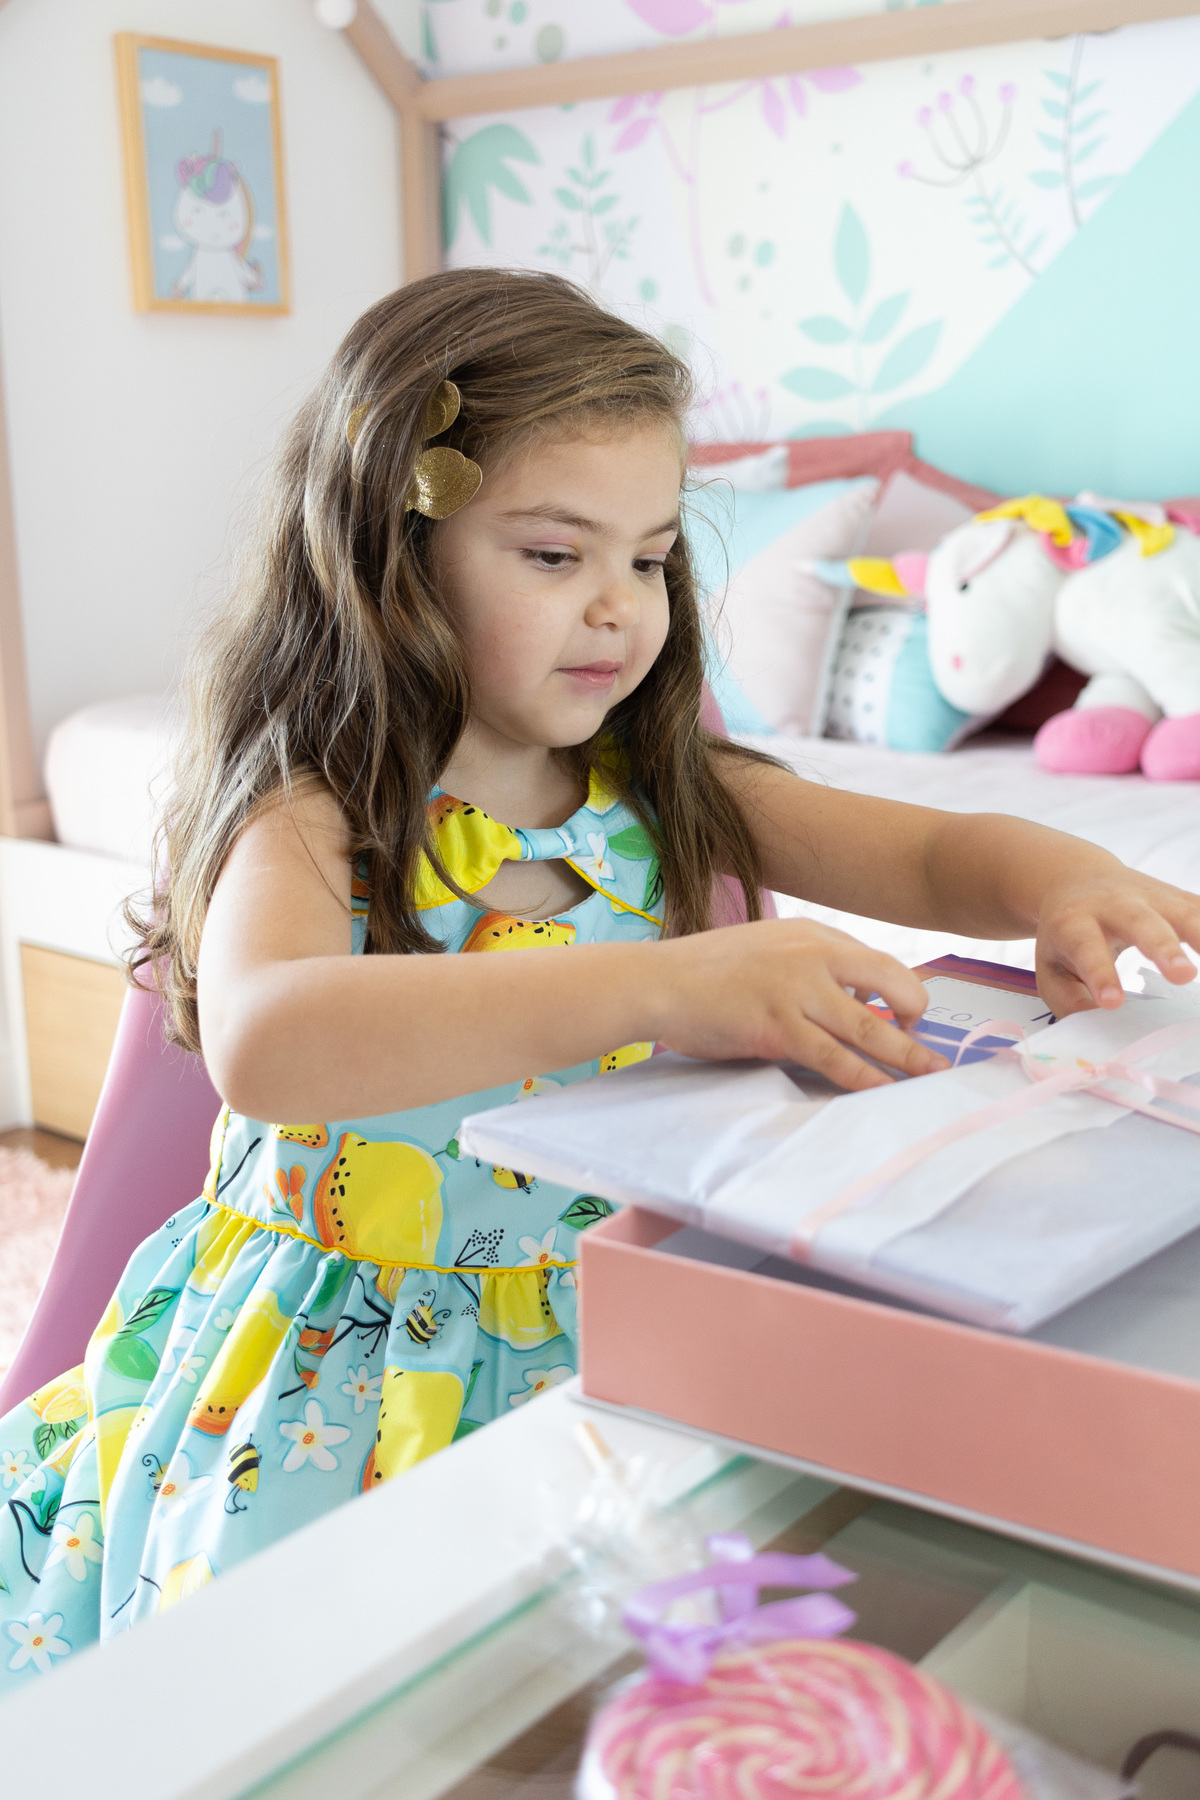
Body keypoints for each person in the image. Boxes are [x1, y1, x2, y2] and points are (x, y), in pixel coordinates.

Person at [2, 268, 1198, 1684]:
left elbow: (933, 856)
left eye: (647, 558)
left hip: (609, 1320)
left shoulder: (660, 784)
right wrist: (664, 987)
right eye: (556, 555)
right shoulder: (315, 804)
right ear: (396, 556)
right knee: (328, 1696)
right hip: (336, 1369)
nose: (620, 609)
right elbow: (272, 1038)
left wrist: (1053, 879)